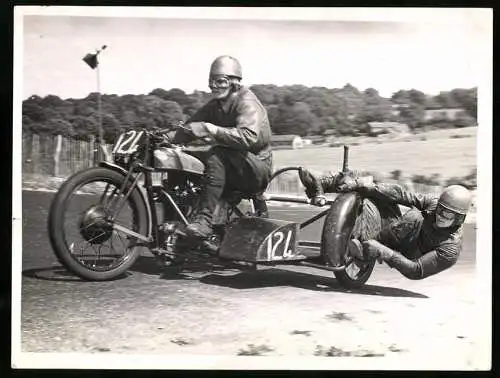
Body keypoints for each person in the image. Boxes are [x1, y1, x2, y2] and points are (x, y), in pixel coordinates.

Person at [299, 169, 472, 280]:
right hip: (399, 232)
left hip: (405, 255)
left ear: (458, 218)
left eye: (447, 214)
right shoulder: (434, 205)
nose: (440, 215)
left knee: (414, 217)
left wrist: (384, 252)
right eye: (441, 209)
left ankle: (365, 250)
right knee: (374, 191)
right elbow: (403, 195)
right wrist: (365, 186)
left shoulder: (451, 249)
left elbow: (416, 270)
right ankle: (322, 184)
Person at [172, 55, 273, 241]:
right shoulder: (215, 106)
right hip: (232, 165)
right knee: (181, 158)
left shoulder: (247, 102)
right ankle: (176, 223)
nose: (214, 86)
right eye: (212, 82)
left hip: (255, 170)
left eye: (220, 81)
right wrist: (164, 138)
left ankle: (204, 221)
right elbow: (188, 128)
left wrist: (211, 129)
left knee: (217, 153)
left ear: (234, 82)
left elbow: (248, 137)